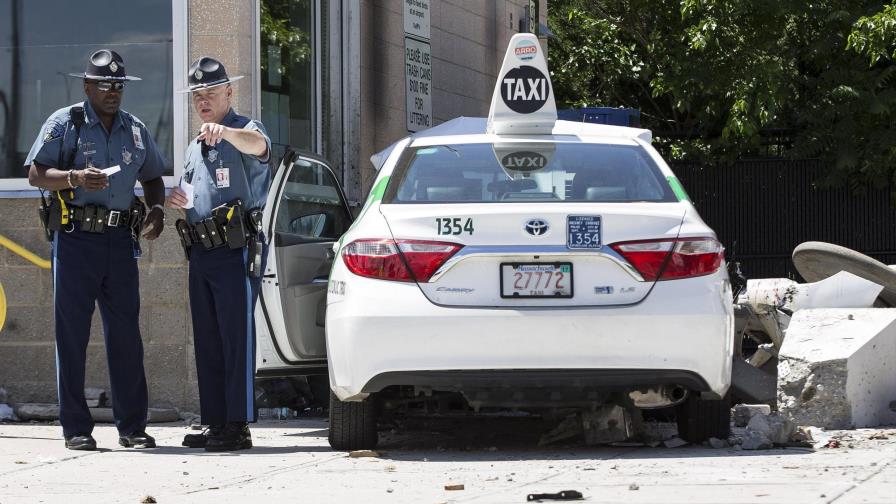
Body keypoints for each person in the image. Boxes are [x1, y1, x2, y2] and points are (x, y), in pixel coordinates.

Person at [26, 49, 166, 450]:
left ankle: (132, 428)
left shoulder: (135, 129)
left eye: (119, 85)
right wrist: (72, 177)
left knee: (126, 336)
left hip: (120, 242)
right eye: (104, 84)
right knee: (71, 336)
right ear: (87, 86)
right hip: (75, 241)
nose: (112, 92)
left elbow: (153, 176)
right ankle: (76, 429)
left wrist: (156, 210)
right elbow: (35, 173)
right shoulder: (65, 122)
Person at [166, 57, 272, 451]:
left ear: (229, 92)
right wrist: (178, 197)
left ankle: (238, 425)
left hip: (234, 248)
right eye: (197, 96)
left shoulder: (244, 129)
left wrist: (226, 132)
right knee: (207, 339)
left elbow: (259, 147)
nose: (203, 101)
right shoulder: (196, 145)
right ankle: (215, 421)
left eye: (210, 93)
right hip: (201, 249)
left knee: (234, 337)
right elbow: (191, 189)